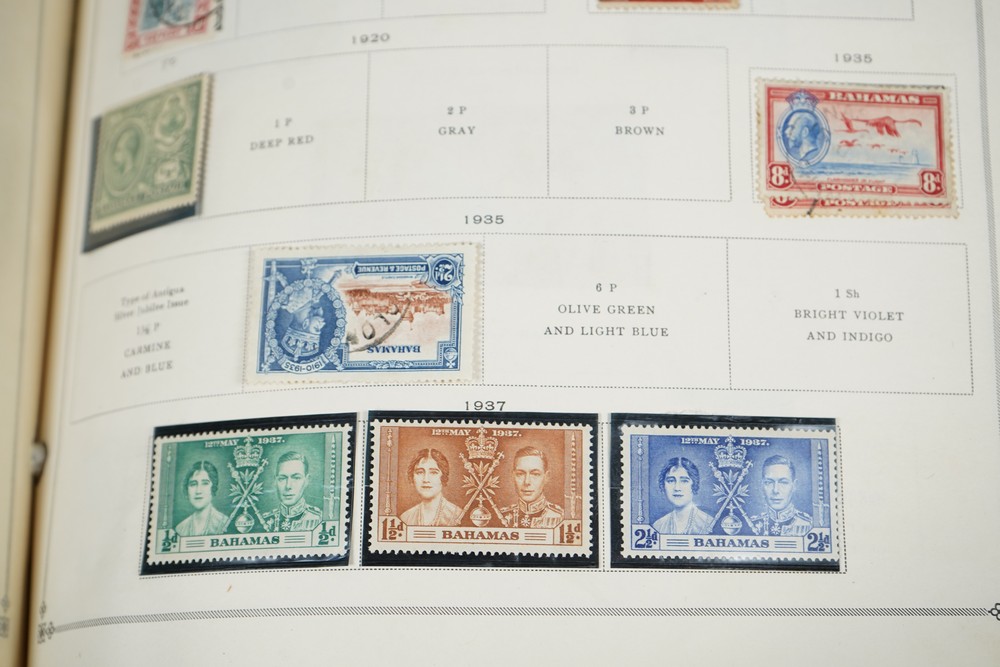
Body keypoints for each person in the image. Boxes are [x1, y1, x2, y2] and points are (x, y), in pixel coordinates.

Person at [499, 446, 563, 528]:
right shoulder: (501, 517)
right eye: (520, 474)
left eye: (535, 474)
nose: (527, 482)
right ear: (513, 476)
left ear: (546, 477)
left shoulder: (561, 517)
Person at [750, 455, 813, 536]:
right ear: (762, 486)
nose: (775, 490)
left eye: (783, 482)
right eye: (769, 482)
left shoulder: (810, 524)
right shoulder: (752, 525)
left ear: (794, 486)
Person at [399, 448, 462, 526]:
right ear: (412, 477)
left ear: (443, 477)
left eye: (433, 473)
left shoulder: (458, 515)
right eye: (420, 472)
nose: (426, 480)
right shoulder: (406, 518)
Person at [261, 451, 322, 532]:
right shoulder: (264, 521)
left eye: (296, 478)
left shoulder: (319, 518)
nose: (288, 486)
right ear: (275, 481)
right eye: (282, 478)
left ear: (307, 480)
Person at [651, 457, 714, 535]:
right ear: (663, 485)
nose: (677, 488)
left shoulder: (709, 523)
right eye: (671, 481)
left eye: (684, 481)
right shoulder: (658, 526)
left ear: (694, 484)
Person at [175, 460, 228, 537]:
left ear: (213, 487)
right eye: (193, 484)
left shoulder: (225, 523)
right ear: (187, 489)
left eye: (205, 483)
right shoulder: (180, 528)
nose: (198, 491)